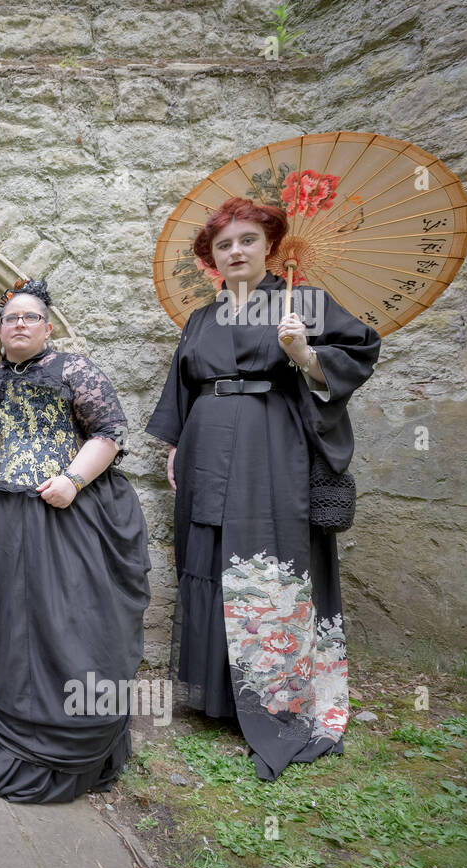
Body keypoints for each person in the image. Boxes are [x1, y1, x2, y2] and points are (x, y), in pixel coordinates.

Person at [145, 196, 380, 781]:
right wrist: (175, 445)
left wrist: (303, 352)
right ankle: (217, 696)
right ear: (213, 259)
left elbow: (360, 353)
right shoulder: (201, 318)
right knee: (207, 554)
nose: (236, 252)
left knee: (265, 561)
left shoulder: (303, 303)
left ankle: (274, 696)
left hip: (270, 448)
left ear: (268, 245)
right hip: (205, 446)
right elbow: (184, 385)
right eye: (223, 245)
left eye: (247, 240)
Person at [0, 278, 151, 802]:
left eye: (29, 317)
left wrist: (73, 481)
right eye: (10, 318)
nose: (18, 325)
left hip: (58, 515)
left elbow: (109, 433)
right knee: (5, 623)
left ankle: (61, 733)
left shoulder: (73, 370)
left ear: (48, 326)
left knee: (62, 621)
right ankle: (3, 731)